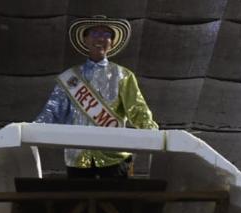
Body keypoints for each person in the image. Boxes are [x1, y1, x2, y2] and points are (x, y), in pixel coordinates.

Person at [33, 16, 158, 177]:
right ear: (85, 39)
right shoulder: (70, 78)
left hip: (115, 158)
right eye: (95, 33)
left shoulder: (123, 76)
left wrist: (156, 137)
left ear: (112, 42)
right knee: (78, 201)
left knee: (117, 202)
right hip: (77, 158)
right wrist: (26, 130)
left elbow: (138, 111)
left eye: (106, 34)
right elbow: (52, 113)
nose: (100, 38)